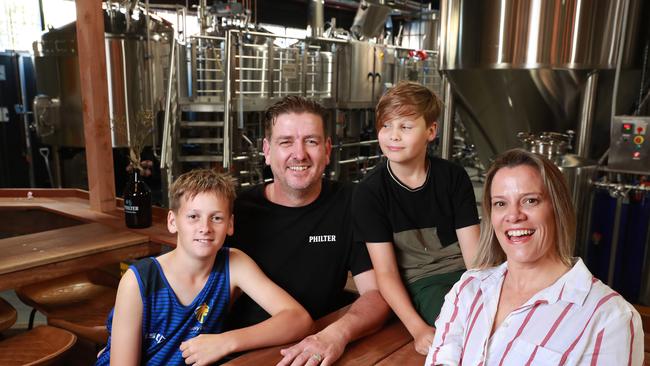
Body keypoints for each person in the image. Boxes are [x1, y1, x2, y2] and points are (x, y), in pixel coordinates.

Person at [426, 149, 644, 365]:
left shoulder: (609, 318)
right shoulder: (469, 288)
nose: (514, 215)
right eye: (500, 203)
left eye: (530, 200)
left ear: (558, 208)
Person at [225, 96, 390, 366]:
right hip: (245, 353)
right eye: (286, 142)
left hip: (317, 348)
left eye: (311, 141)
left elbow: (376, 292)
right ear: (267, 151)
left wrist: (336, 334)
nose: (299, 154)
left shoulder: (352, 202)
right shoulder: (236, 213)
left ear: (327, 150)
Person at [96, 169, 313, 366]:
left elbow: (298, 319)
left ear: (230, 225)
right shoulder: (139, 281)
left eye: (216, 218)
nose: (205, 228)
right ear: (172, 221)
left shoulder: (234, 264)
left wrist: (227, 342)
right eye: (193, 217)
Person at [351, 81, 481, 355]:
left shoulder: (453, 178)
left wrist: (487, 295)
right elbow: (385, 273)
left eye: (406, 127)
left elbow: (476, 258)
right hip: (423, 282)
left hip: (466, 275)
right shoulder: (370, 192)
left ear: (431, 131)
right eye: (386, 126)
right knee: (465, 331)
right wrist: (418, 329)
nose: (393, 136)